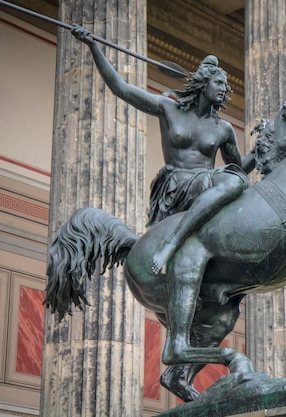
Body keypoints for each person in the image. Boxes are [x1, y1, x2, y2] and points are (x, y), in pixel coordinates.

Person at [72, 27, 252, 275]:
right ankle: (170, 243)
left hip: (205, 187)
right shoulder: (168, 108)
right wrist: (93, 46)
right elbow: (120, 88)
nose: (224, 88)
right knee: (232, 182)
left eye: (226, 85)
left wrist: (263, 153)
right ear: (204, 83)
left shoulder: (223, 129)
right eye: (219, 82)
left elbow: (239, 169)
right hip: (175, 186)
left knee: (237, 182)